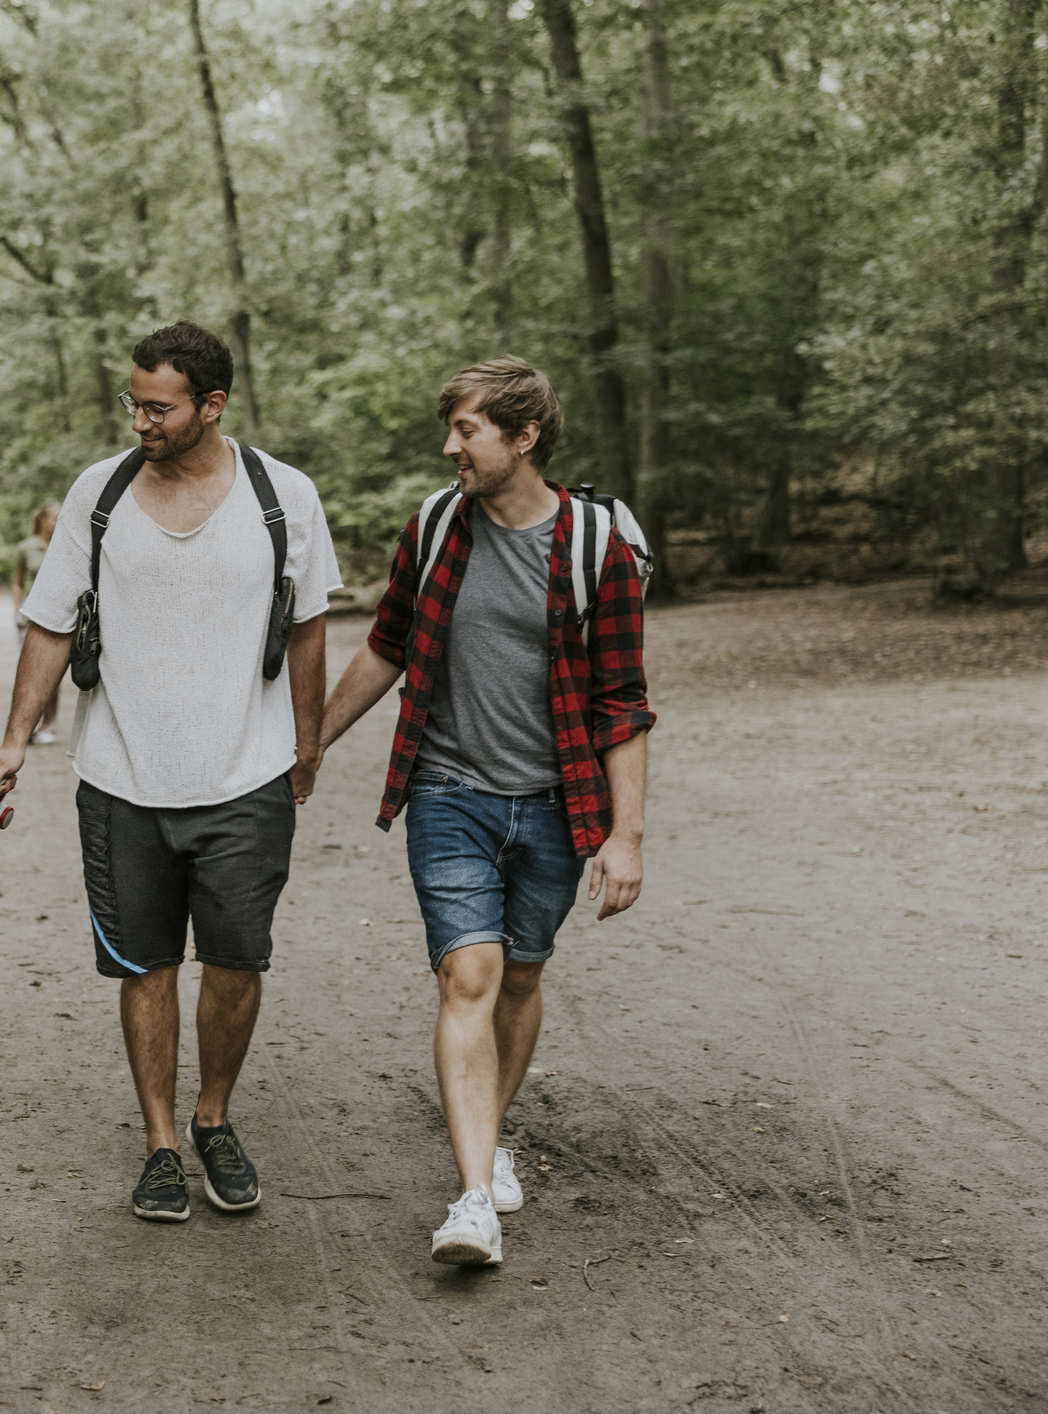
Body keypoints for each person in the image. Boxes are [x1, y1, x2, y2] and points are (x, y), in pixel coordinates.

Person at [0, 322, 341, 1223]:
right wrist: (16, 741)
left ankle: (213, 1118)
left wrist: (308, 743)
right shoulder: (97, 496)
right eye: (133, 402)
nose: (141, 420)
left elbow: (308, 626)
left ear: (211, 406)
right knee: (144, 967)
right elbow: (51, 625)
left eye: (159, 407)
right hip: (120, 779)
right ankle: (161, 1143)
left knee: (234, 962)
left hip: (246, 777)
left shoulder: (282, 497)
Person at [317, 356, 654, 1267]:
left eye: (467, 429)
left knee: (521, 978)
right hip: (448, 791)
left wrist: (624, 837)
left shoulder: (596, 549)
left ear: (524, 436)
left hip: (554, 803)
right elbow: (388, 644)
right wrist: (311, 743)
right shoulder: (435, 527)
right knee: (468, 975)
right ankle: (473, 1201)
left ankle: (491, 1134)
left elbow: (622, 700)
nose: (449, 446)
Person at [11, 500, 62, 746]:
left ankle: (48, 725)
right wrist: (17, 611)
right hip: (30, 617)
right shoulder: (26, 548)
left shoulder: (67, 545)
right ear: (42, 520)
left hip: (59, 617)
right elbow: (17, 582)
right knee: (29, 672)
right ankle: (26, 727)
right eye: (55, 517)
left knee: (52, 674)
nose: (58, 522)